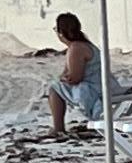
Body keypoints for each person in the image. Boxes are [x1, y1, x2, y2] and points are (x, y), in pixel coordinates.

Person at [40, 10, 102, 139]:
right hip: (100, 85)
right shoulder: (84, 45)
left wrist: (63, 79)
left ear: (61, 32)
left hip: (92, 89)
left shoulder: (76, 48)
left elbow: (75, 77)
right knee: (57, 85)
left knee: (54, 89)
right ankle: (58, 127)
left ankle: (58, 127)